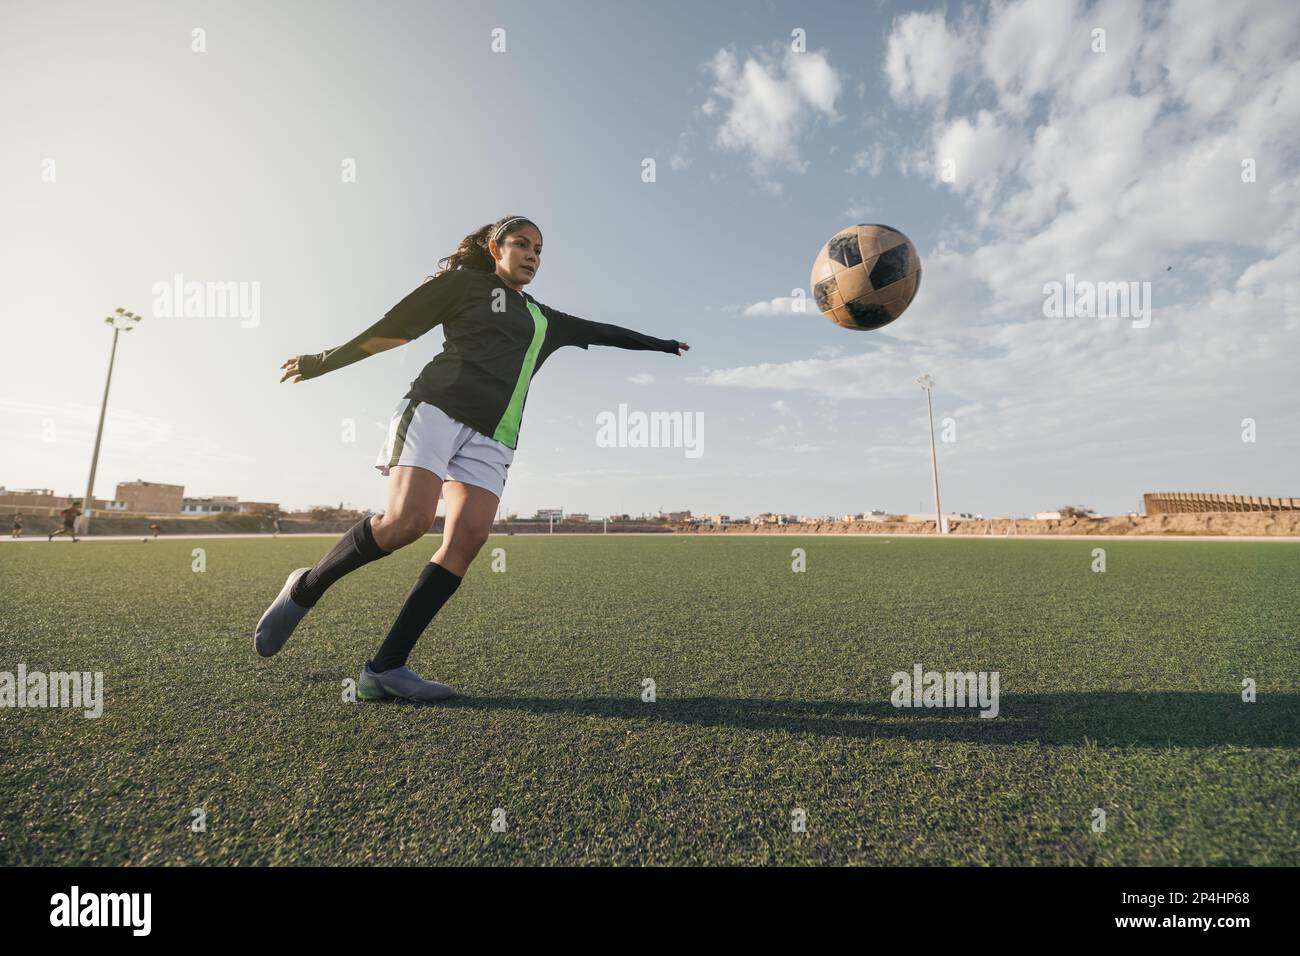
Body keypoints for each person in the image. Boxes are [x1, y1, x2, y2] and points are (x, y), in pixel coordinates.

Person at [255, 215, 688, 702]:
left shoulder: (545, 320)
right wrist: (326, 359)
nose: (532, 255)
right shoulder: (461, 285)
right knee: (407, 522)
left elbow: (603, 331)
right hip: (436, 410)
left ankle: (385, 668)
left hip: (495, 435)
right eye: (521, 244)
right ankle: (306, 587)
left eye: (539, 250)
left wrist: (662, 344)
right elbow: (394, 330)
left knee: (468, 539)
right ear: (494, 247)